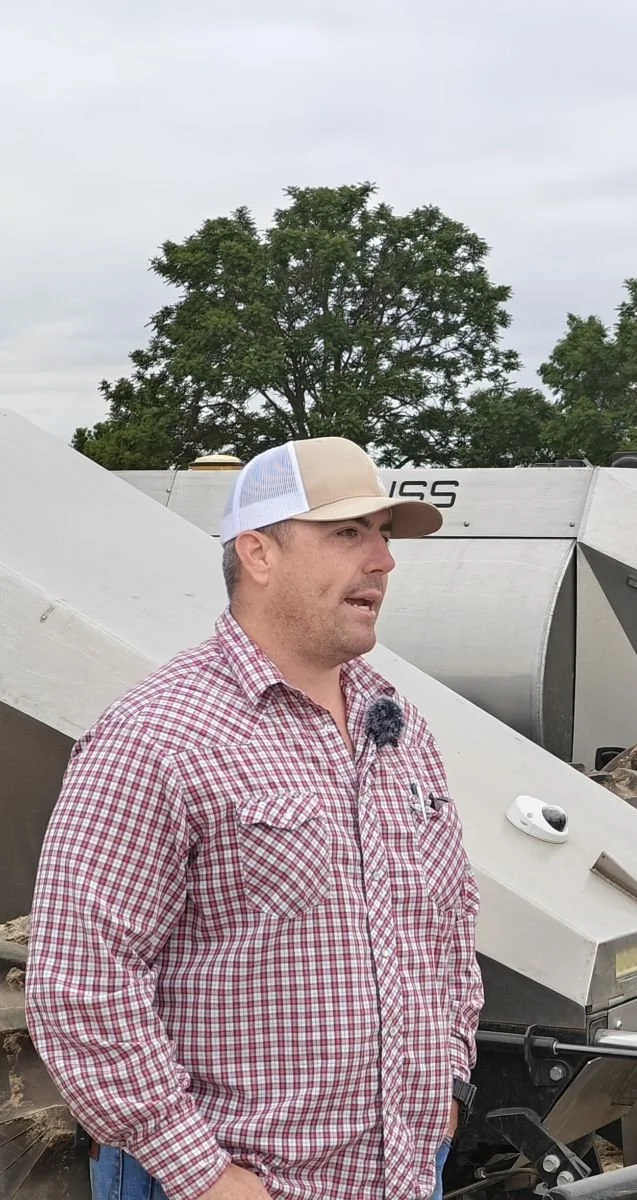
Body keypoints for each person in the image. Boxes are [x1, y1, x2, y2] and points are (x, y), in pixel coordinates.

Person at [26, 437, 484, 1200]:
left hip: (402, 1175)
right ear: (258, 553)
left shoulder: (395, 720)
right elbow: (81, 978)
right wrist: (199, 1174)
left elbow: (447, 924)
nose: (383, 561)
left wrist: (447, 1084)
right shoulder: (160, 734)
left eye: (384, 535)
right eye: (348, 534)